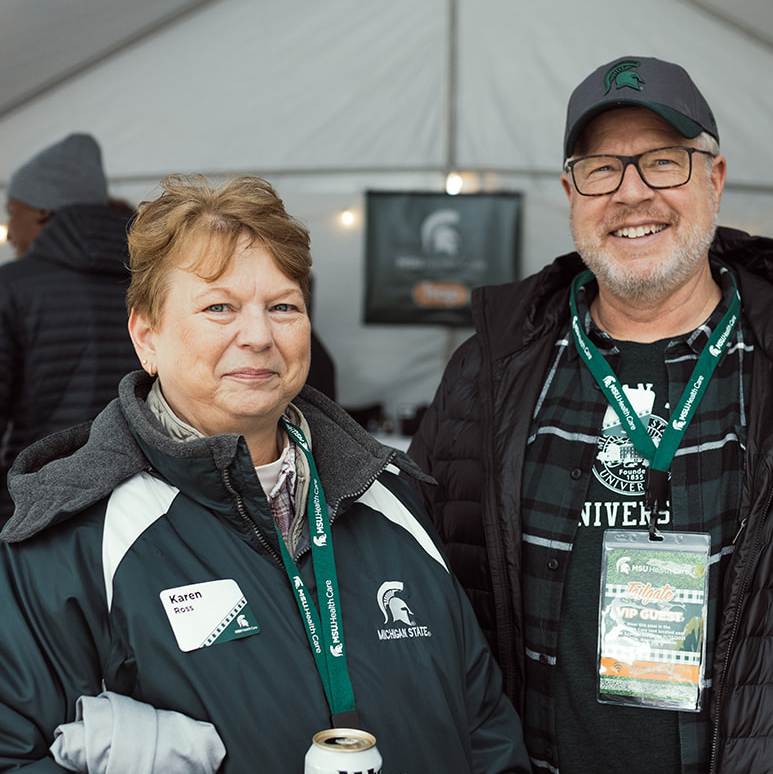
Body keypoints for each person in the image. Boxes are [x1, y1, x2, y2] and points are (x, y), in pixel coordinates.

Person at [0, 173, 531, 773]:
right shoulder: (75, 536)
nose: (257, 336)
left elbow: (485, 727)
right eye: (218, 307)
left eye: (282, 306)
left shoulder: (389, 497)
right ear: (146, 337)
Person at [408, 55, 773, 774]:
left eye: (662, 162)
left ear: (715, 178)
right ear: (571, 191)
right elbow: (423, 578)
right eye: (601, 169)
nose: (630, 193)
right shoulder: (490, 370)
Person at [0, 132, 140, 524]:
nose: (11, 231)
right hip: (142, 505)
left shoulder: (12, 286)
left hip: (34, 505)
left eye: (14, 212)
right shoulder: (153, 283)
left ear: (43, 211)